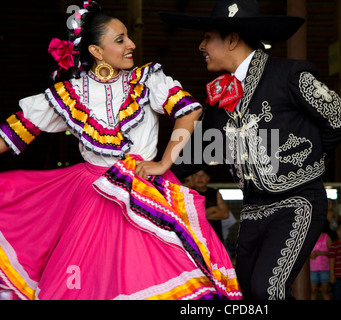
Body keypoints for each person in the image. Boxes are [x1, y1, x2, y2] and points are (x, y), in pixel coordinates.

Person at [0, 1, 241, 300]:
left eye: (127, 36)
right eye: (120, 40)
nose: (131, 44)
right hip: (91, 198)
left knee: (163, 278)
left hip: (144, 190)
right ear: (96, 52)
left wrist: (165, 162)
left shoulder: (146, 80)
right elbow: (10, 134)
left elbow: (188, 110)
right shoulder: (68, 95)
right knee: (91, 284)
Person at [159, 0, 341, 300]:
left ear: (232, 39)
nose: (201, 46)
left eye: (207, 38)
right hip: (251, 212)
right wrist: (140, 174)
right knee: (247, 294)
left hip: (298, 202)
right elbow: (193, 155)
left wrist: (302, 158)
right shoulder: (218, 98)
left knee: (268, 289)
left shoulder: (290, 75)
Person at [193, 168, 230, 242]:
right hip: (197, 239)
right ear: (192, 178)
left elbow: (225, 214)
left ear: (208, 178)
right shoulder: (188, 193)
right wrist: (213, 209)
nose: (200, 178)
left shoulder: (215, 193)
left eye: (203, 175)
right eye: (197, 175)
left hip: (215, 238)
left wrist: (203, 216)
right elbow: (191, 217)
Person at [309, 228, 332, 300]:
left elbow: (332, 252)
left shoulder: (326, 237)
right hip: (312, 269)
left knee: (325, 290)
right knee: (313, 291)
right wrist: (310, 255)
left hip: (325, 269)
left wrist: (321, 253)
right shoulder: (309, 237)